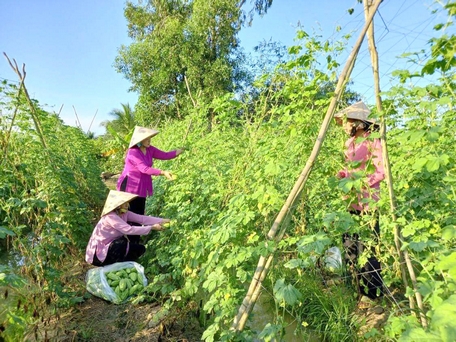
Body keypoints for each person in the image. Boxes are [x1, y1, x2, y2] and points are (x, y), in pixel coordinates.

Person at [334, 101, 385, 302]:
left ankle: (372, 294)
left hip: (367, 202)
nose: (345, 126)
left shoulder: (373, 141)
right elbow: (351, 169)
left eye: (349, 122)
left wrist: (362, 184)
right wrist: (342, 174)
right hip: (351, 202)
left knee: (369, 247)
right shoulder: (350, 143)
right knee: (350, 244)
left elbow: (381, 171)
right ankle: (355, 285)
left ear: (361, 123)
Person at [85, 190, 170, 266]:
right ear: (117, 205)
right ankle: (114, 265)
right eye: (124, 203)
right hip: (98, 253)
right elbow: (128, 229)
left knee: (140, 249)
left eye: (127, 202)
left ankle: (123, 264)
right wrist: (151, 227)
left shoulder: (124, 213)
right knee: (121, 244)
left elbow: (142, 219)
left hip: (110, 246)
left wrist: (162, 220)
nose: (127, 205)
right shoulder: (110, 216)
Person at [117, 126, 184, 216]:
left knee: (139, 212)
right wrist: (163, 172)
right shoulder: (133, 152)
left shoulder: (150, 149)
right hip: (130, 185)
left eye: (150, 138)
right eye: (147, 138)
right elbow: (144, 169)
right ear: (140, 140)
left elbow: (165, 155)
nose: (149, 140)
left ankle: (139, 228)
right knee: (128, 213)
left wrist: (179, 151)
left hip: (142, 185)